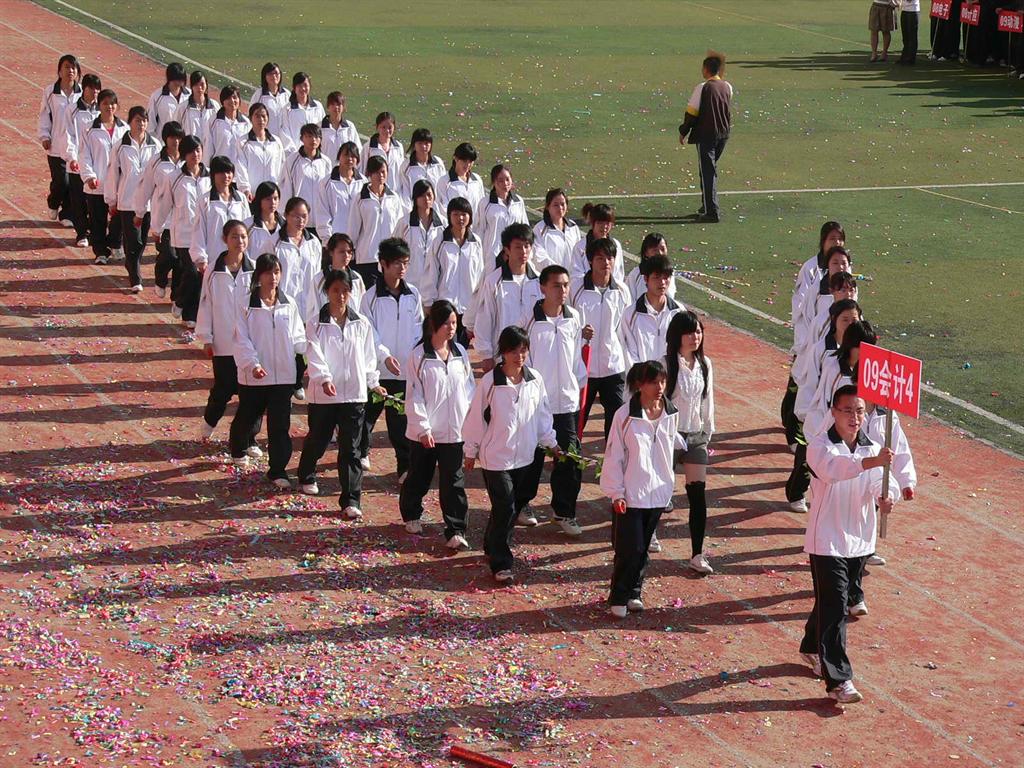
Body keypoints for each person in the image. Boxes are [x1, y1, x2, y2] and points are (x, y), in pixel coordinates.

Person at [799, 385, 898, 704]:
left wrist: (886, 496)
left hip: (860, 540)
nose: (854, 417)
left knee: (831, 601)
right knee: (836, 605)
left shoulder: (874, 447)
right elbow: (834, 471)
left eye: (859, 411)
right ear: (833, 412)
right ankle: (838, 681)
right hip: (827, 540)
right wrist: (871, 463)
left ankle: (811, 646)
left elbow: (882, 482)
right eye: (847, 411)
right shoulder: (820, 447)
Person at [463, 326, 559, 583]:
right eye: (514, 351)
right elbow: (476, 418)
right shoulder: (490, 382)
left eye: (523, 350)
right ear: (503, 352)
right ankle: (501, 562)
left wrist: (551, 442)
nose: (519, 356)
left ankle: (491, 542)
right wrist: (471, 449)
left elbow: (542, 414)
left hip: (526, 456)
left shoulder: (535, 379)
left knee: (513, 505)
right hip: (496, 457)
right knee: (505, 506)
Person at [297, 269, 385, 521]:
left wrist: (373, 382)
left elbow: (368, 357)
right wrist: (324, 379)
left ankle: (351, 499)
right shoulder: (315, 324)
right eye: (335, 290)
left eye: (345, 290)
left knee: (351, 448)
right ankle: (306, 473)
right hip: (324, 396)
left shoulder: (362, 324)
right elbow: (314, 355)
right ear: (327, 292)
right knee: (319, 438)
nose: (341, 295)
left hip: (354, 396)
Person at [601, 361, 685, 617]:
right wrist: (617, 492)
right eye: (653, 382)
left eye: (663, 382)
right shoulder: (624, 416)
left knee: (643, 547)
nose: (660, 387)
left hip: (658, 493)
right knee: (630, 547)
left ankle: (634, 592)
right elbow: (614, 456)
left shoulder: (671, 413)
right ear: (640, 384)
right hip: (631, 494)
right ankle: (618, 596)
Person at [400, 300, 475, 546]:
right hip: (427, 433)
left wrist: (471, 422)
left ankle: (456, 529)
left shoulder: (461, 353)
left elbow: (469, 389)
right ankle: (412, 513)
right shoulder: (418, 356)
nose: (451, 328)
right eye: (446, 323)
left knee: (453, 481)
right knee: (419, 475)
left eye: (454, 323)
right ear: (434, 324)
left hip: (454, 431)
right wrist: (423, 428)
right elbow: (414, 395)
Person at [230, 253, 306, 488]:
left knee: (280, 425)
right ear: (259, 276)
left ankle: (277, 470)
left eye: (276, 272)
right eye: (267, 272)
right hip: (254, 375)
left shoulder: (289, 303)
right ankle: (238, 446)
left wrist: (309, 354)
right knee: (248, 415)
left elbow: (298, 336)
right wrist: (253, 364)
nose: (273, 277)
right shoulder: (245, 305)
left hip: (283, 375)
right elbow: (241, 339)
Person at [521, 265, 587, 534]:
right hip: (538, 405)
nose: (562, 291)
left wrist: (576, 387)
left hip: (567, 403)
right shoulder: (529, 321)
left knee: (570, 458)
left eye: (566, 285)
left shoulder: (574, 318)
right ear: (543, 288)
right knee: (532, 457)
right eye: (556, 285)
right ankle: (522, 504)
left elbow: (576, 359)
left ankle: (564, 512)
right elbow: (525, 363)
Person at [359, 238, 424, 480]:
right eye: (397, 263)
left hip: (403, 371)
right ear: (383, 264)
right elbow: (369, 333)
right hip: (377, 372)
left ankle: (404, 467)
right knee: (368, 415)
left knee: (399, 421)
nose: (402, 268)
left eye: (405, 263)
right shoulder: (370, 298)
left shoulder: (413, 294)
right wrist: (384, 356)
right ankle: (361, 452)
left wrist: (412, 357)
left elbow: (418, 328)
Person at [195, 219, 255, 442]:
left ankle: (248, 438)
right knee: (223, 388)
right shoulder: (213, 270)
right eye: (234, 237)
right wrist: (206, 337)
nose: (240, 241)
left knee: (252, 393)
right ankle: (209, 422)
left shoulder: (255, 270)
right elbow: (206, 303)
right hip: (223, 342)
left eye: (243, 237)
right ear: (225, 239)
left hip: (249, 343)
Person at [665, 311, 716, 570]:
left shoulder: (705, 364)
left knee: (698, 495)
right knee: (660, 493)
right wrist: (667, 434)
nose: (695, 337)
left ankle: (697, 554)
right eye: (689, 332)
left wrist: (707, 432)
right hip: (668, 437)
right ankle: (648, 535)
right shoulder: (665, 364)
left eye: (698, 331)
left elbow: (708, 399)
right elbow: (660, 402)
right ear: (677, 335)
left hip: (695, 437)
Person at [570, 236, 631, 442]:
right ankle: (570, 457)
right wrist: (580, 333)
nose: (606, 263)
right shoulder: (575, 288)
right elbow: (564, 322)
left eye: (610, 258)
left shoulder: (622, 291)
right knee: (577, 419)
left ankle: (612, 458)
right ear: (590, 261)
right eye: (600, 258)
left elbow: (625, 330)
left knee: (616, 422)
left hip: (613, 367)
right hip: (583, 367)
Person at [469, 223, 543, 371]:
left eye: (527, 246)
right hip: (503, 357)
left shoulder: (539, 282)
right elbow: (485, 318)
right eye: (518, 247)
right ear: (507, 250)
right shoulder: (493, 281)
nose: (523, 251)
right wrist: (486, 354)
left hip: (533, 358)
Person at [107, 106, 160, 292]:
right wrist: (111, 199)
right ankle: (135, 278)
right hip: (128, 201)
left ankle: (131, 263)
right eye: (137, 120)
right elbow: (113, 173)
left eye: (144, 120)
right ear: (130, 122)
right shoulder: (120, 146)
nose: (141, 124)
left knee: (142, 240)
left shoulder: (155, 145)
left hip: (148, 203)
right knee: (133, 240)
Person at [420, 196, 484, 346]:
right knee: (446, 347)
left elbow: (479, 275)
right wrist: (428, 302)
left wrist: (479, 304)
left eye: (464, 214)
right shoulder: (440, 241)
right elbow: (431, 272)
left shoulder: (476, 242)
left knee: (462, 350)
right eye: (456, 214)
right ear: (449, 216)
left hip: (468, 308)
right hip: (446, 306)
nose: (460, 218)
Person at [273, 196, 320, 397]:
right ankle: (283, 385)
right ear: (286, 215)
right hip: (284, 302)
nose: (300, 221)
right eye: (295, 216)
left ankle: (297, 381)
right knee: (284, 343)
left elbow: (317, 274)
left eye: (304, 216)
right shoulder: (275, 242)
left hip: (308, 302)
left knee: (303, 343)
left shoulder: (313, 243)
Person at [678, 52, 732, 223]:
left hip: (707, 134)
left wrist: (683, 131)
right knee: (709, 169)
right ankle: (707, 205)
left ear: (706, 69)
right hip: (722, 134)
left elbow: (692, 113)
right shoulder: (727, 87)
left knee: (708, 172)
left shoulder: (702, 87)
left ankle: (711, 211)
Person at [133, 120, 185, 300]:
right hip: (163, 219)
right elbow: (145, 187)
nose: (175, 141)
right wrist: (139, 212)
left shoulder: (187, 161)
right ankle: (161, 279)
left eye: (178, 137)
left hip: (183, 219)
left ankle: (177, 296)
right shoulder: (156, 161)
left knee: (181, 260)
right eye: (172, 137)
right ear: (165, 139)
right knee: (168, 255)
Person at [79, 89, 127, 265]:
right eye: (105, 103)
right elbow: (84, 155)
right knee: (98, 220)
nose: (109, 107)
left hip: (118, 184)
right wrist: (89, 176)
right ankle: (100, 251)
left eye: (112, 103)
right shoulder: (89, 129)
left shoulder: (125, 129)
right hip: (97, 184)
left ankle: (115, 243)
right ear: (99, 105)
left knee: (119, 217)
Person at [168, 135, 210, 326]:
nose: (195, 154)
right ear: (184, 154)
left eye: (198, 150)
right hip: (183, 234)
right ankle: (181, 301)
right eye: (191, 151)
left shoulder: (209, 177)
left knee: (200, 274)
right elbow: (164, 203)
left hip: (204, 235)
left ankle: (190, 314)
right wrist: (157, 227)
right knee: (192, 272)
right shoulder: (175, 178)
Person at [347, 155, 407, 286]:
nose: (380, 175)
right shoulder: (360, 199)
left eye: (383, 172)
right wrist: (350, 253)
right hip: (367, 258)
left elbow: (399, 228)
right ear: (369, 173)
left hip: (390, 258)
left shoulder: (394, 198)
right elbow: (353, 229)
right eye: (376, 172)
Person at [38, 53, 81, 225]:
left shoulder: (82, 94)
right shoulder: (50, 92)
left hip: (76, 147)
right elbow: (44, 115)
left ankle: (67, 214)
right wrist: (44, 136)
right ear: (60, 71)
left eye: (73, 68)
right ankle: (54, 202)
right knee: (61, 181)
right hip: (56, 145)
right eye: (67, 67)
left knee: (73, 182)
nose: (70, 71)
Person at [620, 254, 685, 368]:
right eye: (657, 277)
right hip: (642, 377)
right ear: (646, 278)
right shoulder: (630, 315)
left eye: (666, 277)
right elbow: (629, 354)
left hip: (672, 378)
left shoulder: (679, 312)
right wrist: (645, 377)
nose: (662, 282)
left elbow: (684, 349)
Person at [190, 156, 249, 276]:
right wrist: (201, 258)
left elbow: (247, 227)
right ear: (213, 174)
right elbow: (199, 230)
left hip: (238, 257)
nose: (226, 176)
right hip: (214, 257)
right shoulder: (205, 201)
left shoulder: (241, 199)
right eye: (221, 172)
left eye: (229, 172)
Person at [63, 72, 102, 247]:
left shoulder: (102, 110)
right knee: (78, 200)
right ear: (84, 89)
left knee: (94, 201)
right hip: (77, 163)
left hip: (96, 163)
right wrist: (72, 158)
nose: (95, 92)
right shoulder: (72, 110)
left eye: (97, 89)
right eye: (91, 88)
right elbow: (68, 135)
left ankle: (96, 232)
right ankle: (81, 233)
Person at [392, 179, 443, 290]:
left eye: (429, 195)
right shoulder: (404, 223)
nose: (426, 199)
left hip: (435, 285)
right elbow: (392, 251)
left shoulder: (443, 224)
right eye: (422, 195)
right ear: (415, 198)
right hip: (409, 283)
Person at [476, 164, 529, 261]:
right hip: (492, 255)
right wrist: (478, 255)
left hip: (515, 254)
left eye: (508, 179)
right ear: (493, 182)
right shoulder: (485, 203)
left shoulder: (518, 201)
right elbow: (480, 230)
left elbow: (525, 227)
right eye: (500, 180)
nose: (505, 183)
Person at [280, 124, 331, 221]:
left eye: (317, 137)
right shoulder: (291, 161)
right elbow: (286, 188)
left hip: (320, 219)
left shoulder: (326, 162)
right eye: (309, 136)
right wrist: (285, 215)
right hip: (299, 219)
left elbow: (328, 190)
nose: (313, 140)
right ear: (301, 139)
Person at [311, 233, 366, 322]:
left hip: (352, 327)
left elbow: (363, 308)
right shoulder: (319, 279)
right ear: (331, 252)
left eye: (349, 252)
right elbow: (313, 310)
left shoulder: (357, 279)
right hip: (326, 327)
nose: (346, 256)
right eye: (342, 252)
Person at [235, 103, 285, 199]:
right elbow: (241, 167)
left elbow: (282, 166)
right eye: (257, 116)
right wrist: (245, 189)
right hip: (253, 195)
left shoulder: (276, 142)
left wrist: (280, 189)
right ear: (250, 118)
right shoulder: (243, 142)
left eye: (263, 116)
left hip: (272, 195)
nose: (261, 119)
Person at [570, 204, 625, 283]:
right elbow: (576, 274)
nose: (604, 226)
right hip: (587, 288)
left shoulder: (616, 245)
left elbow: (619, 273)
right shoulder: (581, 247)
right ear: (592, 223)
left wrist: (611, 286)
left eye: (608, 223)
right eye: (600, 223)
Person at [532, 188, 581, 271]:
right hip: (550, 276)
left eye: (563, 204)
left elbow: (579, 254)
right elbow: (539, 257)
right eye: (555, 205)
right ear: (547, 207)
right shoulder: (539, 229)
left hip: (572, 277)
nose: (560, 208)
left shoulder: (573, 227)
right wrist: (558, 272)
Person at [625, 232, 679, 302]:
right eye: (655, 250)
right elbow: (628, 300)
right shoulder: (636, 274)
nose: (660, 253)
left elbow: (670, 297)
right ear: (646, 252)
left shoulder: (670, 272)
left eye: (663, 249)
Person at [397, 127, 446, 202]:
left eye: (426, 143)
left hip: (436, 208)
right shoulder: (406, 166)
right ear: (414, 144)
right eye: (420, 143)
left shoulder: (438, 163)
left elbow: (443, 189)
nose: (423, 146)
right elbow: (405, 193)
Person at [281, 72, 325, 152]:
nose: (303, 88)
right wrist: (295, 153)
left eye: (305, 85)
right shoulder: (287, 109)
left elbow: (323, 130)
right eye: (299, 86)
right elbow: (285, 133)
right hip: (296, 153)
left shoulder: (318, 107)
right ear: (294, 88)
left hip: (315, 153)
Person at [173, 71, 218, 149]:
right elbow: (175, 130)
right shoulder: (183, 108)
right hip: (190, 151)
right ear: (191, 86)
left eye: (202, 84)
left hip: (210, 151)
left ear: (206, 85)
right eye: (196, 84)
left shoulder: (215, 106)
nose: (199, 87)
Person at [435, 142, 485, 211]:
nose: (468, 164)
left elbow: (481, 206)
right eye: (464, 161)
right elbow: (442, 209)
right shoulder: (444, 181)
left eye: (470, 161)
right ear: (456, 158)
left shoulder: (477, 180)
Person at [207, 86, 250, 164]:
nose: (232, 101)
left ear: (239, 100)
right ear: (222, 101)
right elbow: (208, 148)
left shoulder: (246, 123)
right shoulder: (213, 121)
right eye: (228, 98)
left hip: (238, 169)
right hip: (219, 167)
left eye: (234, 97)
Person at [146, 62, 190, 138]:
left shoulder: (190, 95)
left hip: (184, 141)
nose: (181, 81)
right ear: (170, 78)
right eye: (178, 78)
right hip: (163, 141)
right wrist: (154, 141)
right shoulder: (157, 97)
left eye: (182, 78)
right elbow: (151, 122)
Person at [360, 111, 404, 182]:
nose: (387, 130)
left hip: (394, 188)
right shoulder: (368, 147)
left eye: (390, 127)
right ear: (377, 127)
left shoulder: (399, 147)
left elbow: (401, 172)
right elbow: (362, 171)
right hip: (375, 187)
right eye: (383, 127)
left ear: (394, 128)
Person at [245, 181, 284, 261]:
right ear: (260, 200)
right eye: (268, 199)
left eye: (275, 198)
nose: (273, 202)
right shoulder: (247, 225)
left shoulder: (286, 225)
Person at [250, 62, 290, 138]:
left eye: (276, 73)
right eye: (270, 74)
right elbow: (251, 115)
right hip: (267, 139)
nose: (274, 76)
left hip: (285, 140)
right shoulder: (259, 95)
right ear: (264, 76)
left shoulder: (287, 94)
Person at [319, 91, 359, 165]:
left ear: (343, 107)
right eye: (332, 104)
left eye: (339, 104)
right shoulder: (319, 127)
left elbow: (357, 149)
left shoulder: (350, 127)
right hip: (325, 169)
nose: (336, 107)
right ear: (328, 107)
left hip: (345, 169)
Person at [898, 0, 920, 64]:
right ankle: (904, 56)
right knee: (905, 37)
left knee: (912, 37)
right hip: (904, 10)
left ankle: (911, 58)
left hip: (913, 11)